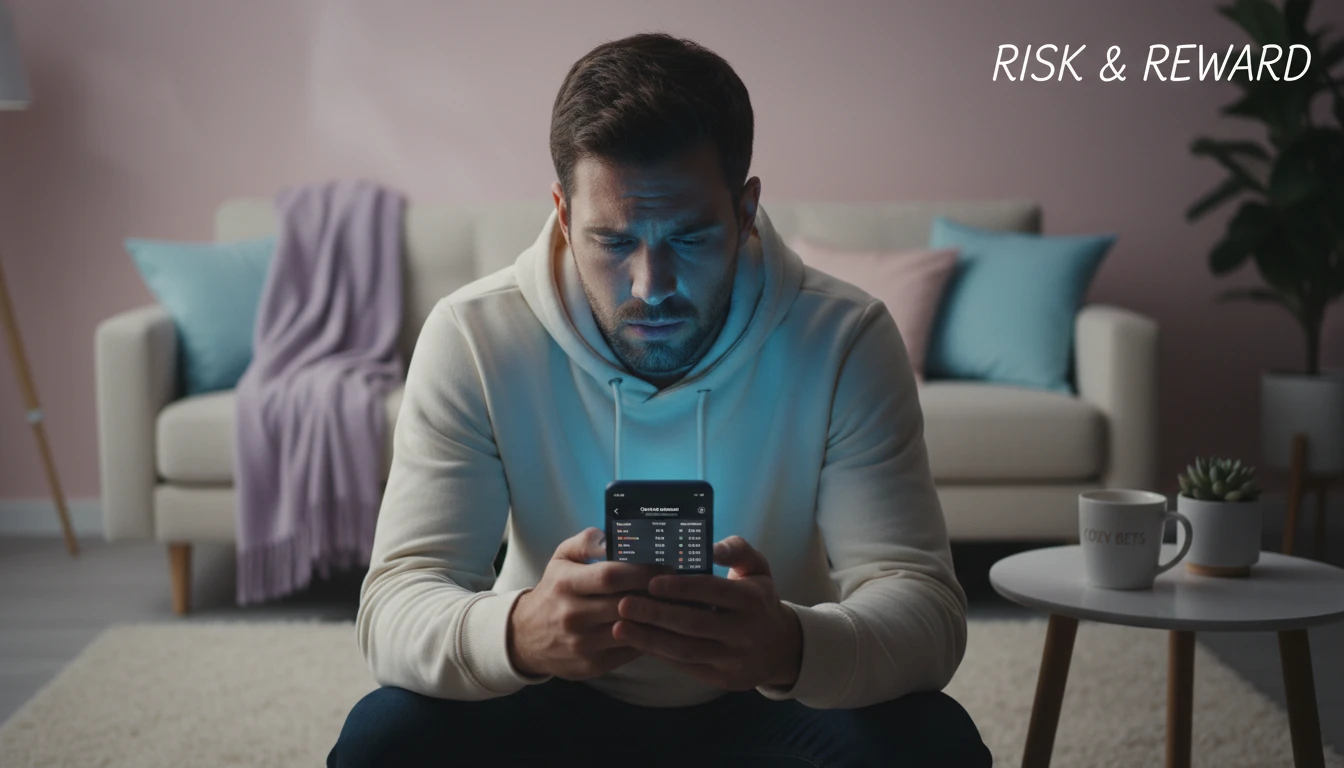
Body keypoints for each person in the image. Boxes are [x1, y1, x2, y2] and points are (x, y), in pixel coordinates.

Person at [328, 31, 991, 768]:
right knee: (381, 745)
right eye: (613, 242)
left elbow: (926, 609)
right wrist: (519, 631)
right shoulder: (475, 336)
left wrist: (791, 646)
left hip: (772, 700)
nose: (652, 286)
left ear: (745, 211)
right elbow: (393, 605)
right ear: (561, 211)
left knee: (936, 747)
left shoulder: (844, 337)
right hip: (548, 689)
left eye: (690, 237)